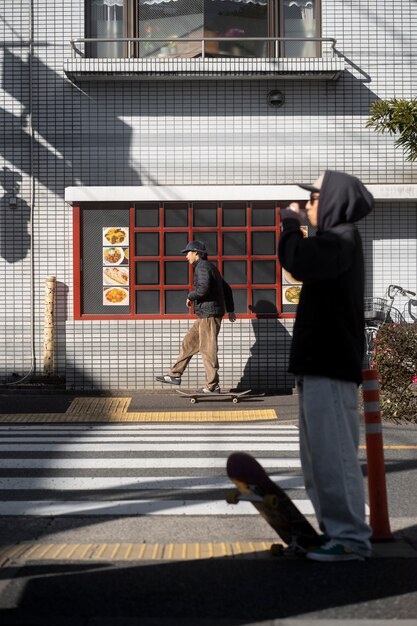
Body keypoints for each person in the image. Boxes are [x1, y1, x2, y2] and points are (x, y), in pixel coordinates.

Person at [278, 170, 374, 562]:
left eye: (314, 198)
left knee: (334, 456)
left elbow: (297, 261)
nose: (308, 206)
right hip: (321, 364)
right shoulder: (334, 241)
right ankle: (336, 532)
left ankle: (350, 537)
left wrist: (288, 224)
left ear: (332, 201)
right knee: (319, 458)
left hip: (331, 366)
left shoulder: (341, 238)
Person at [156, 240, 236, 393]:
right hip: (205, 314)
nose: (186, 256)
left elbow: (203, 288)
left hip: (209, 315)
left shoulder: (202, 268)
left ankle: (212, 385)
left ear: (197, 253)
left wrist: (190, 296)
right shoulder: (210, 268)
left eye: (188, 253)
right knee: (189, 342)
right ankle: (175, 375)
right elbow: (227, 288)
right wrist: (231, 309)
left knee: (207, 349)